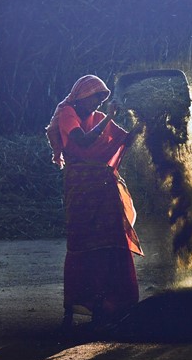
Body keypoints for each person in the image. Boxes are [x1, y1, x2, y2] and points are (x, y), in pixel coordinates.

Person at [45, 74, 144, 328]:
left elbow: (125, 140)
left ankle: (111, 303)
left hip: (103, 187)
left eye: (101, 100)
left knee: (111, 240)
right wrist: (110, 117)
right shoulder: (68, 113)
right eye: (94, 99)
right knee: (83, 242)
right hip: (80, 187)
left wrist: (144, 123)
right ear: (81, 96)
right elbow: (82, 140)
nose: (98, 105)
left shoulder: (98, 118)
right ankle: (77, 305)